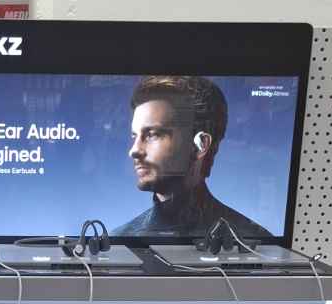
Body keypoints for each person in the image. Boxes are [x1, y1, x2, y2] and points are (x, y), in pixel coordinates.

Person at [113, 73, 270, 242]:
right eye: (134, 136)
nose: (134, 150)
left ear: (200, 144)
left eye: (153, 134)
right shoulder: (119, 239)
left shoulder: (252, 241)